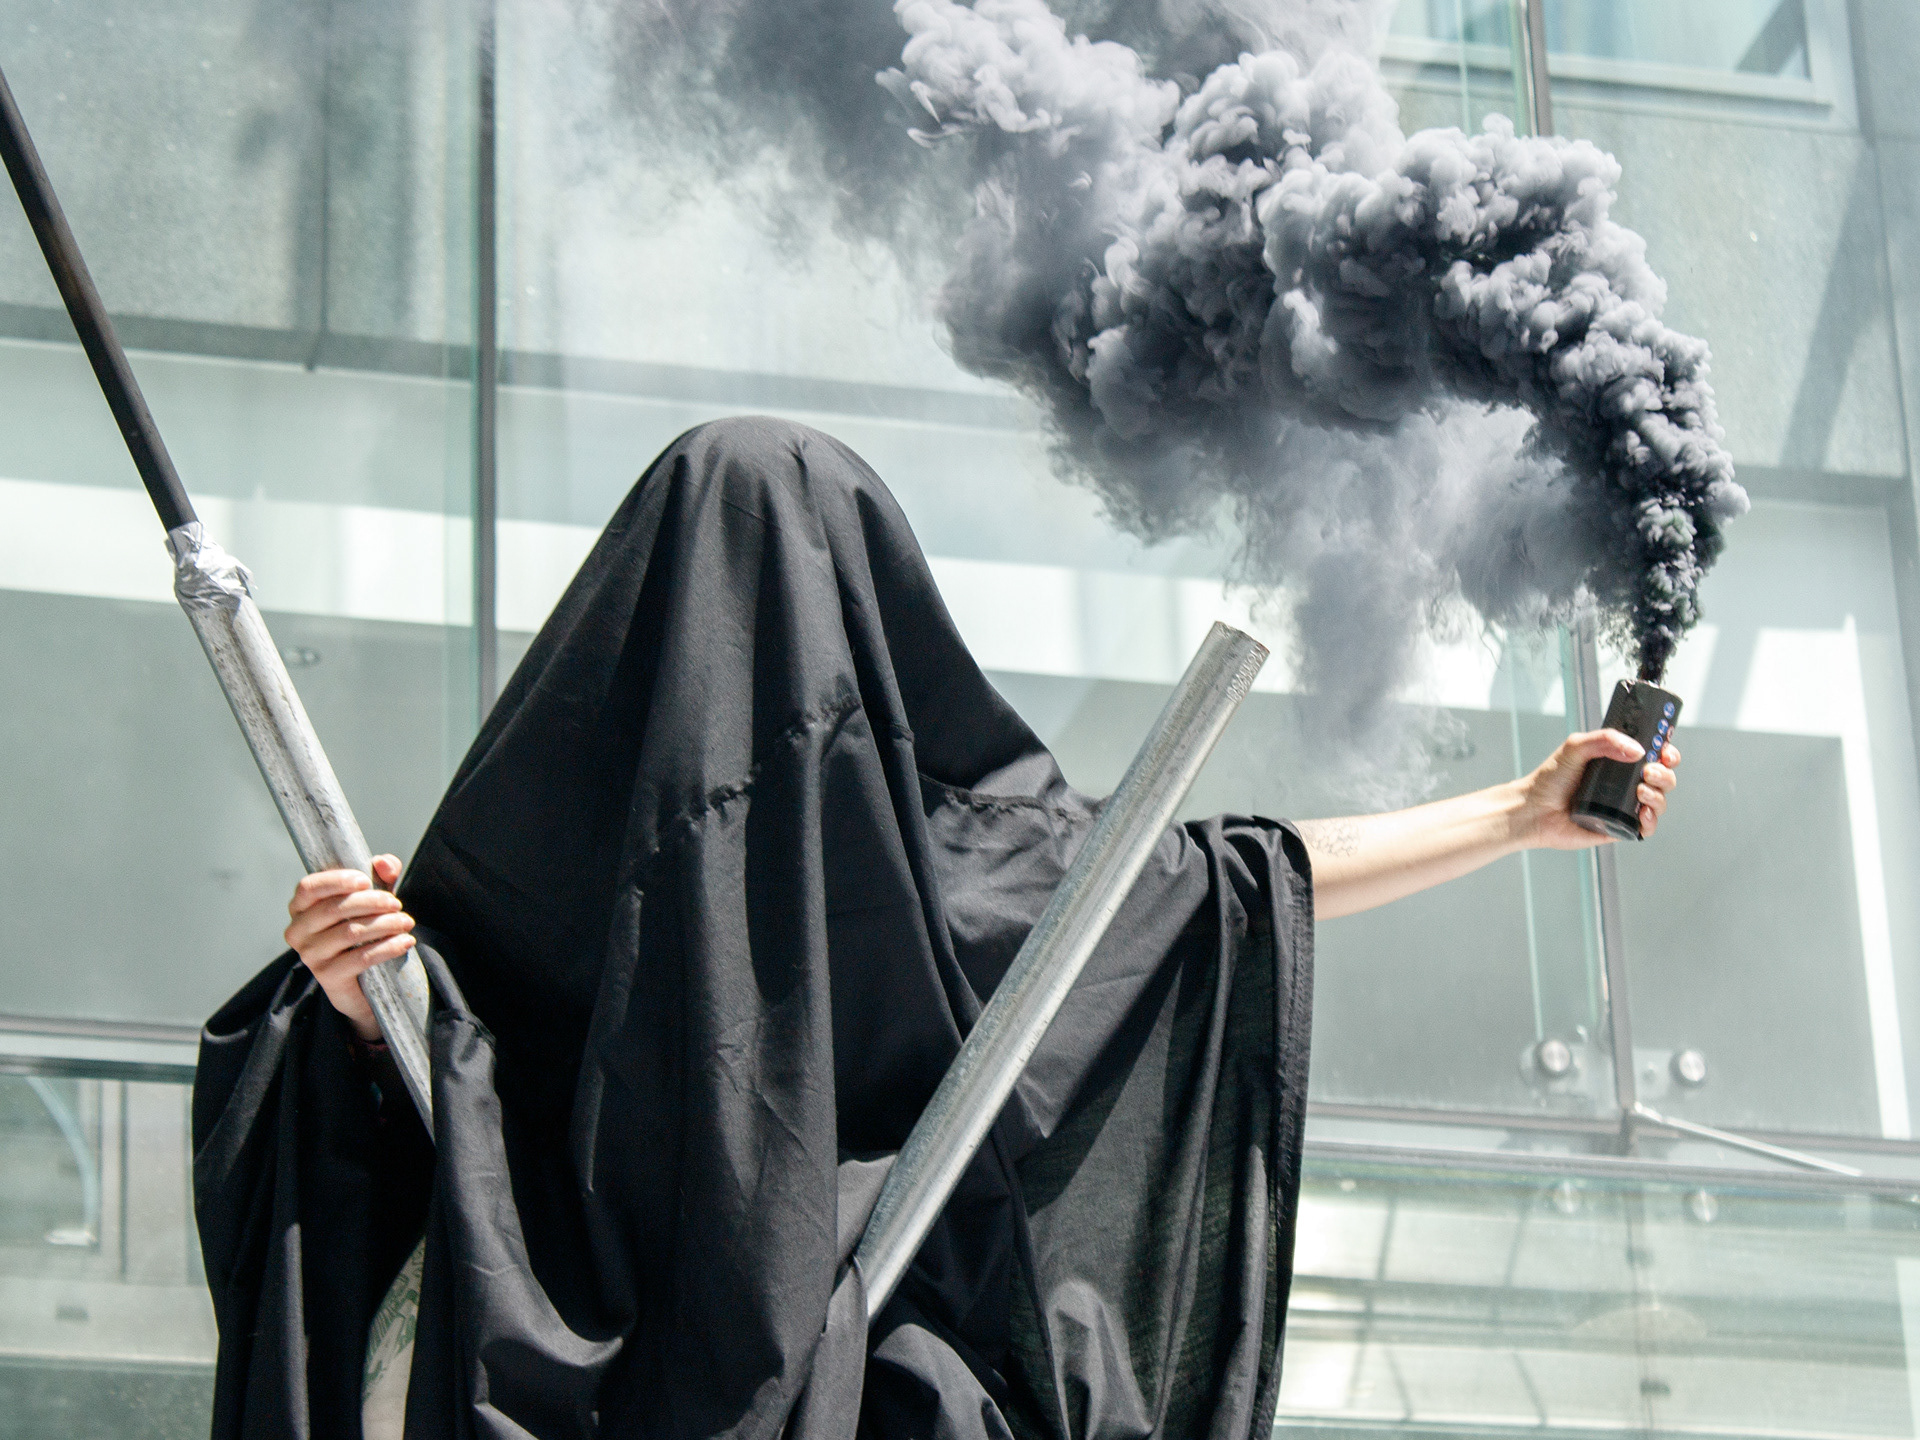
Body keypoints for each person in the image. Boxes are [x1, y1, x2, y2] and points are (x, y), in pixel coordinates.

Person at [196, 417, 1678, 1440]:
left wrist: (1520, 811)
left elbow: (1236, 882)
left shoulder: (961, 855)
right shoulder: (536, 872)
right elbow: (393, 1125)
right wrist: (347, 996)